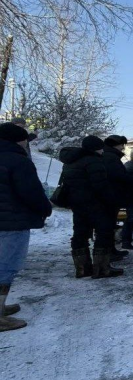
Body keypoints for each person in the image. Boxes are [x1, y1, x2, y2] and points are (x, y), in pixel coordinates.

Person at [0, 123, 52, 331]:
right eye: (25, 140)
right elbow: (31, 192)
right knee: (6, 266)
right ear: (18, 140)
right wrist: (44, 208)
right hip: (11, 221)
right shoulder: (18, 161)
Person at [58, 136, 123, 279]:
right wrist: (112, 200)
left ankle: (82, 268)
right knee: (104, 232)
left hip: (77, 203)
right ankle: (101, 269)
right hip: (95, 204)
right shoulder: (94, 161)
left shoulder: (70, 162)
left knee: (80, 233)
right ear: (96, 148)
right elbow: (100, 186)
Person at [102, 135, 131, 259]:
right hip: (113, 197)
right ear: (115, 145)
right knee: (109, 225)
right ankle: (109, 252)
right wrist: (132, 180)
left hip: (113, 196)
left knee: (113, 224)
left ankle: (111, 249)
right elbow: (117, 177)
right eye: (121, 145)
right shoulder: (111, 157)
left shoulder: (110, 156)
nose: (123, 147)